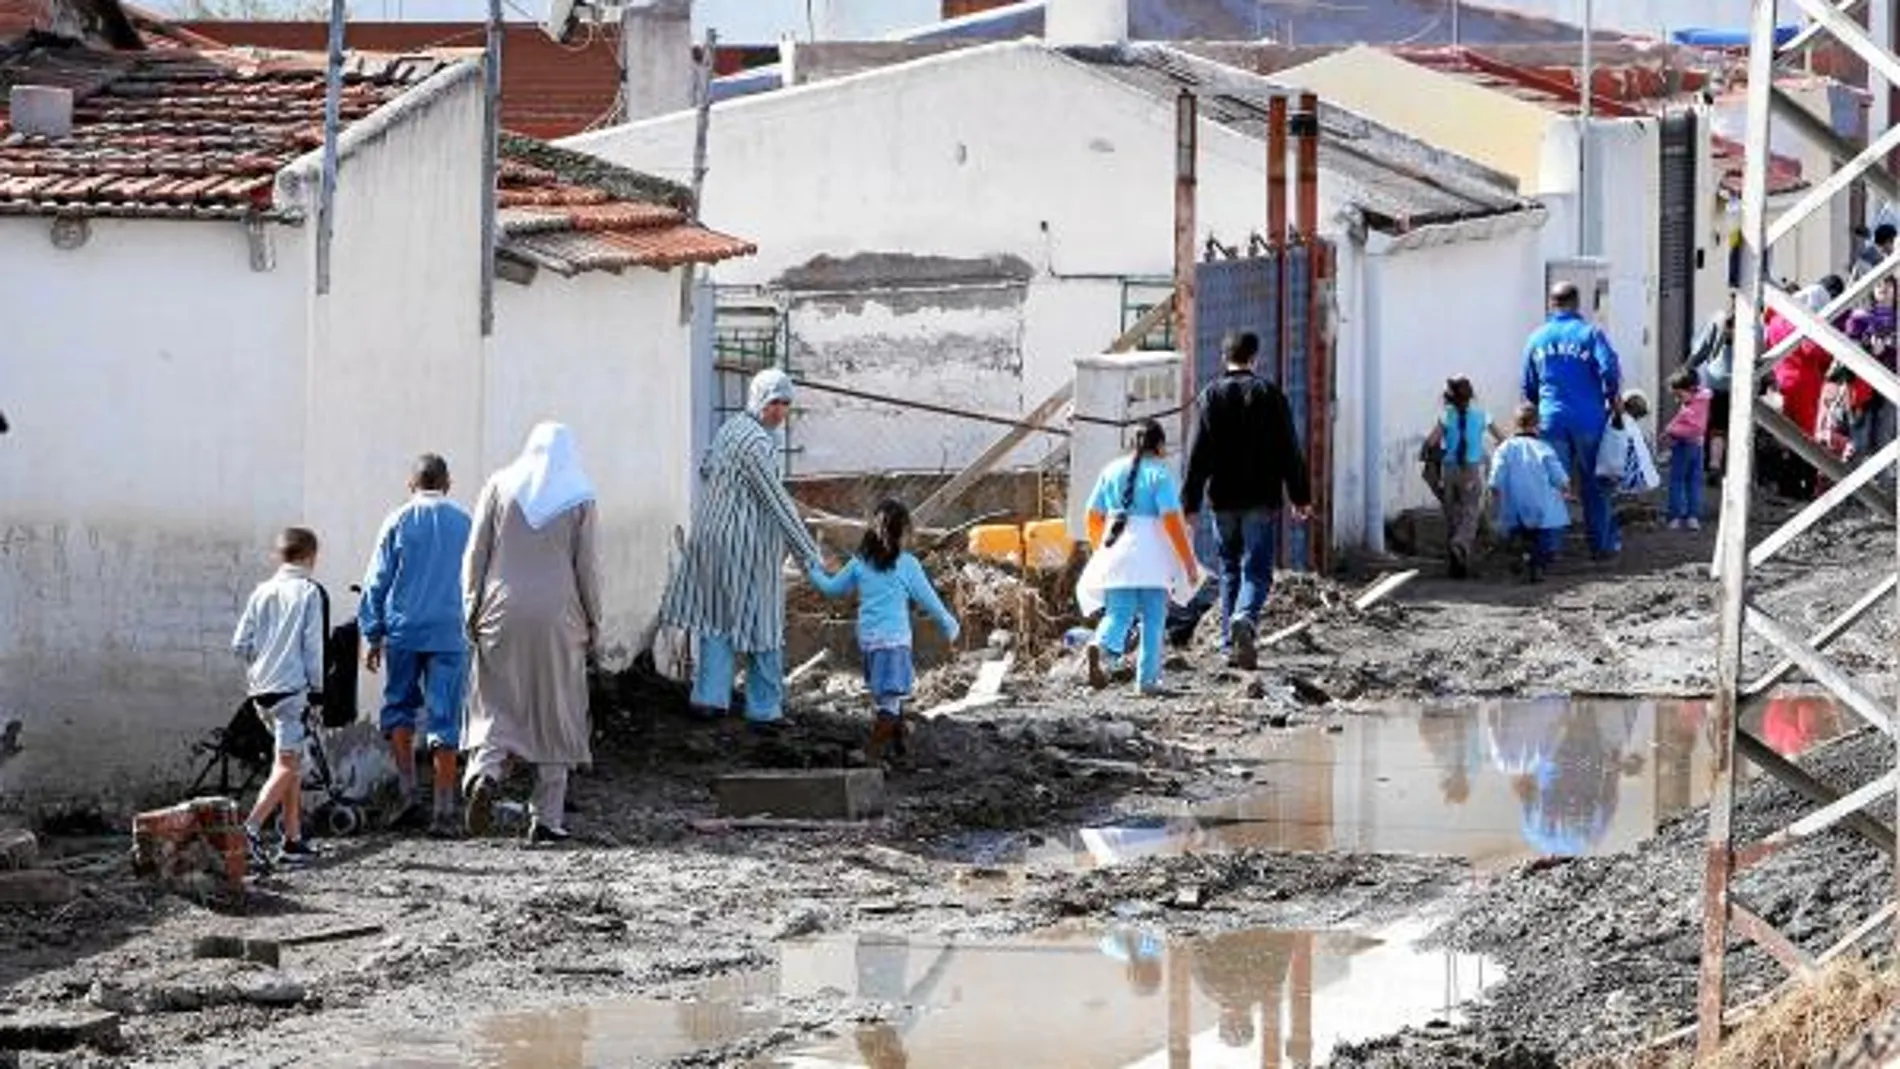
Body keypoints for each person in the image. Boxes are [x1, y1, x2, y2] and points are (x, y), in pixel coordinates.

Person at [659, 368, 826, 734]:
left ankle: (709, 699)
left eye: (785, 404)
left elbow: (706, 467)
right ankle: (764, 708)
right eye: (774, 403)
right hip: (744, 548)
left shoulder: (731, 429)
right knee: (763, 624)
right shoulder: (758, 443)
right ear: (759, 402)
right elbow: (777, 502)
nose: (780, 411)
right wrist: (808, 554)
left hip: (710, 540)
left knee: (716, 620)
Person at [461, 422, 602, 843]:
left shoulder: (499, 486)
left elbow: (476, 552)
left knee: (495, 701)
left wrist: (471, 607)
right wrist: (594, 618)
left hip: (500, 610)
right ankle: (546, 818)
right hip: (558, 616)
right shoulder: (580, 495)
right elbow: (588, 567)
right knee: (556, 709)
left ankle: (484, 773)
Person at [1182, 331, 1312, 669]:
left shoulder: (1210, 396)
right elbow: (1290, 450)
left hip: (1222, 500)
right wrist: (1300, 496)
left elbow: (1198, 455)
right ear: (1255, 358)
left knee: (1228, 569)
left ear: (1224, 358)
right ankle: (1245, 617)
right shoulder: (1270, 395)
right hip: (1261, 499)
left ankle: (1229, 643)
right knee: (1257, 570)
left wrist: (1190, 504)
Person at [359, 453, 473, 837]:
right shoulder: (464, 522)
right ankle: (444, 809)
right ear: (448, 483)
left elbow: (377, 580)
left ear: (411, 484)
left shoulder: (398, 520)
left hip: (405, 630)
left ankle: (408, 795)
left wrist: (372, 633)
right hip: (449, 631)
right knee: (445, 715)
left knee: (399, 709)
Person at [807, 499, 961, 762]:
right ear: (901, 532)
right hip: (895, 642)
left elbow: (832, 589)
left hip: (869, 641)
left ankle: (900, 742)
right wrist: (947, 622)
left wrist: (812, 571)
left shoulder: (860, 563)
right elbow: (928, 599)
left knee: (888, 693)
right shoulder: (907, 564)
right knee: (888, 702)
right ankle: (871, 755)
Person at [1078, 419, 1201, 694]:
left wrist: (1101, 549)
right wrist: (1188, 562)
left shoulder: (1110, 471)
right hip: (1152, 559)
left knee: (1118, 614)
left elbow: (1092, 515)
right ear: (1159, 446)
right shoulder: (1160, 474)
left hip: (1115, 552)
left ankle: (1102, 646)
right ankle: (1147, 681)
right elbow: (1171, 520)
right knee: (1154, 620)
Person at [232, 526, 326, 868]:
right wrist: (317, 691)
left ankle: (292, 838)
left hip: (261, 691)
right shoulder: (308, 593)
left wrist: (264, 660)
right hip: (293, 690)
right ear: (312, 557)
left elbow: (240, 644)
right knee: (287, 765)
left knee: (290, 764)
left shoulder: (261, 592)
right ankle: (250, 829)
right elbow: (313, 647)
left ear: (278, 555)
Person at [1521, 282, 1622, 560]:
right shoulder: (1591, 334)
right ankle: (1600, 546)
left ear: (1551, 304)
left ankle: (1549, 549)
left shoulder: (1537, 338)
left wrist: (1542, 406)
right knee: (1595, 484)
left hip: (1551, 420)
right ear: (1578, 303)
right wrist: (1612, 396)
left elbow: (1527, 384)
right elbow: (1610, 368)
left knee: (1553, 484)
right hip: (1589, 419)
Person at [1419, 377, 1506, 579]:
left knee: (1453, 516)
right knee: (1470, 514)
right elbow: (1502, 439)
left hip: (1449, 471)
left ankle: (1457, 566)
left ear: (1448, 397)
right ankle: (1461, 544)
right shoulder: (1483, 416)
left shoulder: (1445, 416)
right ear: (1471, 395)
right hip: (1471, 470)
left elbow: (1431, 442)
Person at [1489, 403, 1570, 584]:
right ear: (1538, 425)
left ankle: (1518, 557)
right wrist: (1565, 486)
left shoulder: (1505, 448)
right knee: (1545, 537)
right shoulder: (1543, 448)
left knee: (1514, 534)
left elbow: (1496, 475)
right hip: (1541, 505)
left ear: (1515, 425)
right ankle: (1538, 565)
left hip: (1514, 504)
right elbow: (1557, 474)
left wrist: (1495, 491)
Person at [1687, 294, 1735, 478]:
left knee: (1717, 426)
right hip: (1741, 382)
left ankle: (1714, 464)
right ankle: (1732, 468)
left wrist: (1686, 368)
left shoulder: (1718, 319)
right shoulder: (1754, 323)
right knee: (1737, 425)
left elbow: (1702, 350)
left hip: (1716, 379)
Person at [1661, 370, 1713, 531]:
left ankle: (1675, 516)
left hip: (1684, 446)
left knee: (1677, 481)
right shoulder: (1701, 401)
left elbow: (1692, 428)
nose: (1677, 399)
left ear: (1690, 389)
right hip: (1698, 446)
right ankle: (1693, 517)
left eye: (1679, 395)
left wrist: (1670, 431)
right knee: (1694, 483)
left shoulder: (1693, 406)